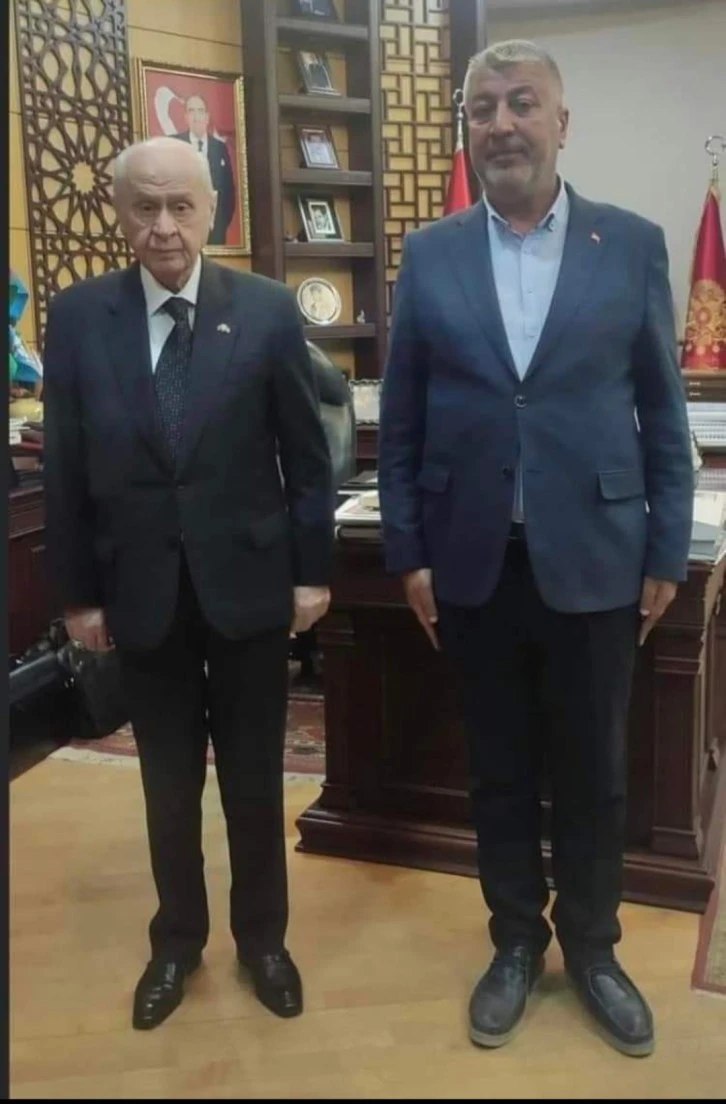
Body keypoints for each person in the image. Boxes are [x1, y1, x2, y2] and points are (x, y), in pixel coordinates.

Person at [378, 40, 693, 1058]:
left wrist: (666, 551)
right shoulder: (432, 253)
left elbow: (662, 411)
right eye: (483, 108)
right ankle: (515, 940)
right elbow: (402, 418)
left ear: (562, 123)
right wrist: (408, 552)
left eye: (522, 103)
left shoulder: (630, 244)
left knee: (596, 772)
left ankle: (593, 949)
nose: (502, 123)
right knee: (500, 771)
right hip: (472, 561)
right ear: (467, 128)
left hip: (598, 557)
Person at [43, 136, 334, 1030]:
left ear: (212, 210)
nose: (163, 226)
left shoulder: (268, 311)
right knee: (167, 785)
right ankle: (176, 942)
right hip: (142, 592)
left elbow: (307, 459)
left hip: (249, 586)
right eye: (145, 207)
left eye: (180, 206)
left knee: (252, 780)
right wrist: (79, 595)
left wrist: (312, 574)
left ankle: (264, 942)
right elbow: (64, 465)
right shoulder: (79, 316)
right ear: (120, 213)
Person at [173, 94, 236, 246]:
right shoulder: (174, 144)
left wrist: (219, 225)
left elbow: (228, 193)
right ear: (186, 117)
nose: (196, 116)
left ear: (207, 117)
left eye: (200, 111)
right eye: (191, 111)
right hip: (181, 231)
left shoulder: (220, 148)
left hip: (215, 233)